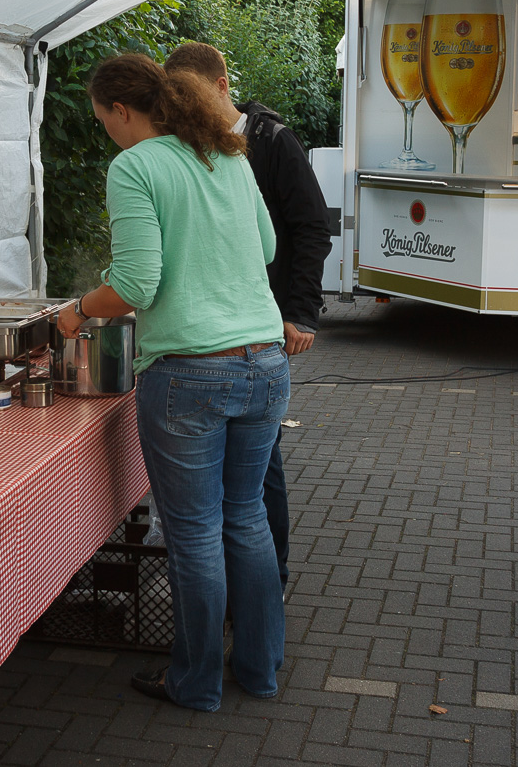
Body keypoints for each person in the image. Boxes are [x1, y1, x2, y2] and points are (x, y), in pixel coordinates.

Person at [57, 52, 289, 712]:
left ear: (121, 111)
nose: (107, 131)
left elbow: (135, 284)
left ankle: (195, 683)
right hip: (265, 363)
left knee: (193, 535)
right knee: (246, 518)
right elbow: (266, 248)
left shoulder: (135, 165)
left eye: (103, 119)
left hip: (190, 374)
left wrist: (75, 311)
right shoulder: (229, 154)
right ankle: (261, 668)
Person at [163, 42, 332, 587]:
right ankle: (248, 595)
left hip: (263, 327)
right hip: (215, 336)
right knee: (246, 486)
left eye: (195, 95)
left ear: (221, 85)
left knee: (261, 478)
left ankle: (268, 584)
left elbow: (310, 229)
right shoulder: (182, 148)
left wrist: (300, 312)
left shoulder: (270, 142)